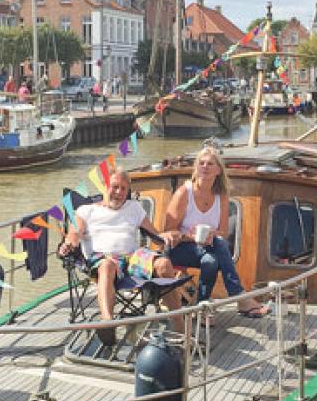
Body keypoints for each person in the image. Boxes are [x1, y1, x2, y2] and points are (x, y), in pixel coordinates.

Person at [59, 170, 183, 345]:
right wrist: (68, 245)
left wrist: (167, 236)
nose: (119, 192)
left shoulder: (134, 208)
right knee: (107, 266)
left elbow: (155, 235)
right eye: (115, 187)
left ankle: (180, 326)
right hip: (104, 258)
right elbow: (74, 235)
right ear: (105, 186)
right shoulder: (85, 210)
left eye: (124, 188)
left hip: (133, 256)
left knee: (164, 264)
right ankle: (108, 324)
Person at [163, 147, 270, 321]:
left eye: (210, 164)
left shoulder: (221, 196)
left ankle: (202, 306)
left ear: (218, 170)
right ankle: (239, 295)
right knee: (219, 245)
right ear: (196, 168)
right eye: (201, 163)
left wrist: (211, 235)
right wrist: (191, 237)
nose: (205, 167)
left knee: (211, 260)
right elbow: (168, 231)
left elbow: (223, 231)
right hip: (178, 248)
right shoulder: (184, 193)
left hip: (206, 248)